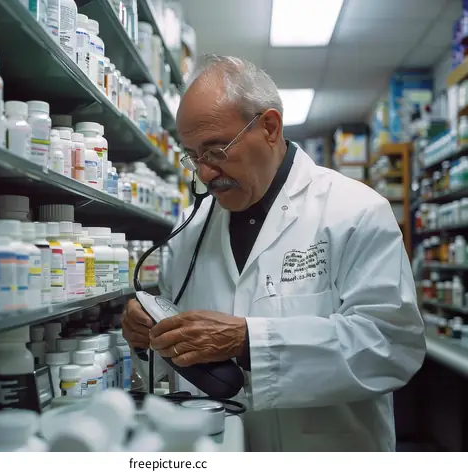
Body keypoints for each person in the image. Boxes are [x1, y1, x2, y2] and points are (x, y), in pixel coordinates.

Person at [121, 55, 426, 452]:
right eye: (193, 156)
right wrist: (151, 337)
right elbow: (180, 373)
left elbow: (391, 346)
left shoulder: (354, 211)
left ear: (269, 127)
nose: (204, 173)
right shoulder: (187, 233)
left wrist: (248, 341)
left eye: (215, 151)